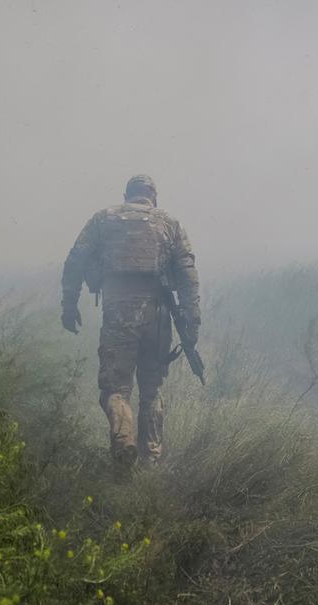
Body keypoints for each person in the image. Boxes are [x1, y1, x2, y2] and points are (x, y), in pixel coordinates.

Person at [60, 174, 201, 471]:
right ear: (153, 197)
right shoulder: (170, 223)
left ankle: (124, 442)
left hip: (119, 312)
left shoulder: (103, 219)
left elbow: (76, 260)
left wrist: (69, 304)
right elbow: (188, 274)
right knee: (151, 389)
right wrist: (191, 321)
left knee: (115, 389)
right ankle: (150, 460)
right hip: (159, 314)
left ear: (127, 195)